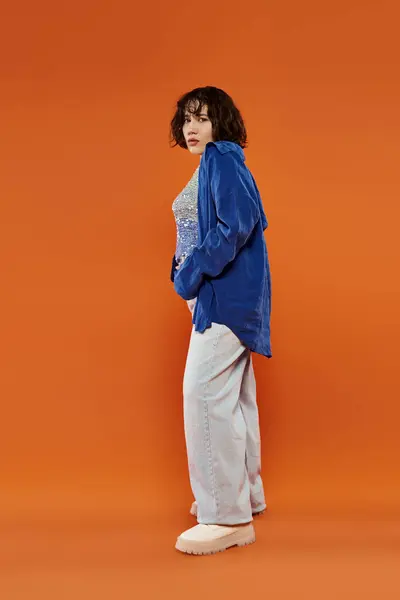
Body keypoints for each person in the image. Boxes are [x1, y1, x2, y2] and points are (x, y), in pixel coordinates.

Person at [169, 86, 272, 555]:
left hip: (224, 298)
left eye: (204, 118)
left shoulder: (222, 157)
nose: (193, 128)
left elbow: (239, 223)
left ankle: (226, 518)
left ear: (221, 124)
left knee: (204, 395)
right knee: (232, 397)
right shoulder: (210, 162)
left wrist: (188, 274)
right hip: (224, 297)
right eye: (188, 119)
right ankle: (245, 494)